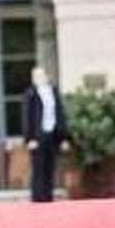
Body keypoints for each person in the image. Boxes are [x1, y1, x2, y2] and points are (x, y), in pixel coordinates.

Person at [23, 67, 69, 203]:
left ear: (46, 76)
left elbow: (60, 114)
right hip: (37, 136)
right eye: (36, 76)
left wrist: (64, 138)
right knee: (38, 169)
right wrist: (29, 138)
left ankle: (48, 197)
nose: (38, 78)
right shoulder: (31, 94)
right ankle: (38, 198)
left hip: (52, 134)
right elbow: (27, 117)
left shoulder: (53, 92)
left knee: (50, 167)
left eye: (41, 75)